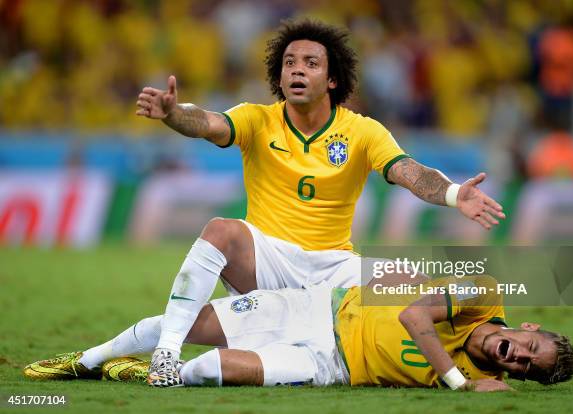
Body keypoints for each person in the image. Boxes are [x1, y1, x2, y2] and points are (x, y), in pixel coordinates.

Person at [134, 19, 506, 387]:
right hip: (268, 259)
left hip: (333, 266)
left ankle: (468, 361)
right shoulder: (257, 119)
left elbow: (409, 172)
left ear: (332, 79)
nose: (298, 69)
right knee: (222, 230)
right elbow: (206, 122)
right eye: (290, 63)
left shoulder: (362, 131)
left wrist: (455, 194)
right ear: (278, 77)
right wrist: (174, 114)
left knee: (417, 285)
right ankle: (166, 354)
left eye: (311, 63)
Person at [23, 275, 573, 391]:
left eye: (526, 365)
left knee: (209, 371)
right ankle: (88, 359)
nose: (521, 356)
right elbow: (413, 317)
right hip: (316, 311)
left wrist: (475, 384)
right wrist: (457, 382)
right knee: (187, 326)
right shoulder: (482, 294)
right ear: (528, 327)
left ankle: (135, 371)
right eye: (532, 346)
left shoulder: (487, 376)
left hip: (331, 368)